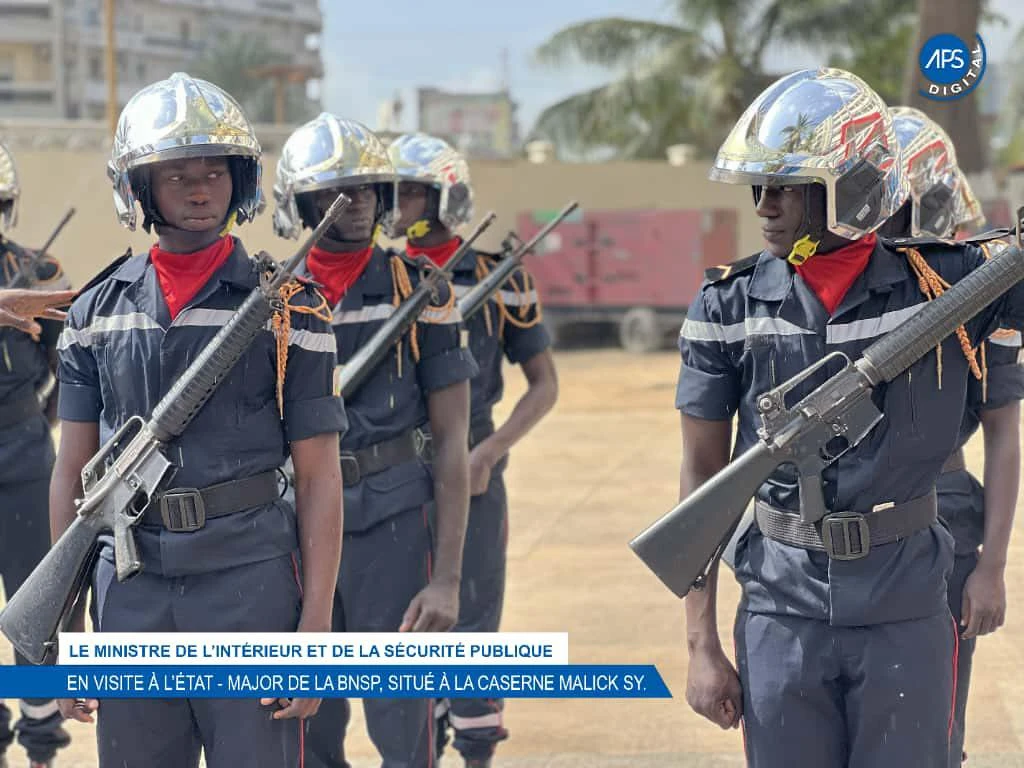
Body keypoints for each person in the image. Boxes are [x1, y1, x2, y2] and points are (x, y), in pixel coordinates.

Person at [676, 68, 1024, 767]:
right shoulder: (727, 308)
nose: (766, 207)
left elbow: (1005, 416)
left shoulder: (950, 285)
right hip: (779, 599)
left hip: (907, 599)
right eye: (760, 188)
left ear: (853, 187)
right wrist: (701, 643)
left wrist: (992, 561)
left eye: (788, 187)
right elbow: (702, 478)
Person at [50, 73, 346, 768]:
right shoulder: (97, 313)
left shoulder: (290, 309)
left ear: (239, 181)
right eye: (176, 173)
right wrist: (65, 629)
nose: (199, 188)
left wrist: (315, 628)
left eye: (215, 170)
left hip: (250, 587)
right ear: (138, 188)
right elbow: (71, 468)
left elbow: (319, 472)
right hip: (129, 592)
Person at [273, 114, 477, 768]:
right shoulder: (268, 297)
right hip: (290, 534)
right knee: (307, 730)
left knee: (404, 729)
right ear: (302, 203)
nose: (357, 202)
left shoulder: (420, 289)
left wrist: (446, 577)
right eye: (337, 189)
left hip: (392, 524)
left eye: (368, 188)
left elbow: (451, 442)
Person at [385, 132, 558, 768]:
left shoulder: (497, 277)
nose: (397, 205)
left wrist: (491, 451)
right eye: (392, 191)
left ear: (443, 196)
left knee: (473, 622)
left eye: (411, 192)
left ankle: (478, 751)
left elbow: (545, 385)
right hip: (397, 474)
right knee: (406, 627)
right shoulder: (382, 277)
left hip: (476, 467)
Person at [880, 105, 1023, 766]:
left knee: (935, 733)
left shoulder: (974, 284)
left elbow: (1002, 434)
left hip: (943, 516)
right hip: (838, 531)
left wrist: (992, 565)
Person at [0, 141, 72, 768]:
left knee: (34, 603)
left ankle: (42, 740)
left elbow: (65, 359)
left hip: (24, 456)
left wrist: (37, 422)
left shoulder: (37, 270)